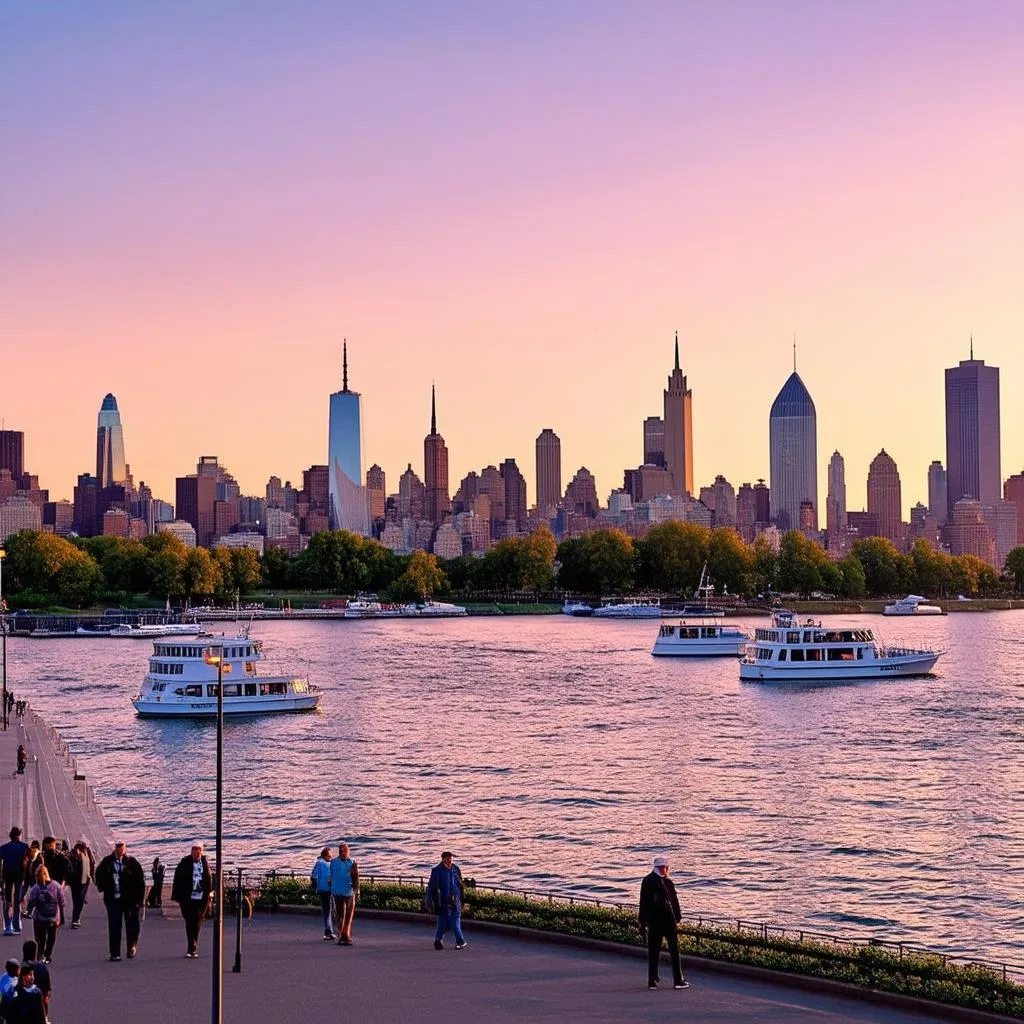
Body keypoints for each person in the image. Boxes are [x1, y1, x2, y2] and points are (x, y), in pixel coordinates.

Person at [638, 856, 688, 990]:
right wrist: (677, 918)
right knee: (674, 952)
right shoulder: (667, 882)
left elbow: (643, 903)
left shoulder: (647, 881)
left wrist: (642, 921)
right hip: (667, 922)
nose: (664, 870)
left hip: (654, 922)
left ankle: (652, 980)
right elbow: (674, 902)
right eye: (662, 867)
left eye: (665, 867)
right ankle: (678, 980)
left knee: (654, 951)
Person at [95, 840, 145, 961]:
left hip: (129, 900)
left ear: (125, 848)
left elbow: (140, 881)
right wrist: (102, 887)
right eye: (118, 847)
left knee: (132, 924)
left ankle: (131, 947)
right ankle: (115, 953)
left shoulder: (132, 862)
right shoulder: (107, 861)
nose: (120, 849)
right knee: (114, 925)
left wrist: (140, 899)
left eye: (122, 846)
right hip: (113, 900)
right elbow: (99, 874)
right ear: (115, 848)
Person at [170, 842, 212, 959]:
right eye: (194, 849)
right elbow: (177, 880)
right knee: (189, 922)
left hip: (201, 899)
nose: (196, 852)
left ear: (201, 851)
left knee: (197, 922)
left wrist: (210, 894)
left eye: (199, 849)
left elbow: (209, 879)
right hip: (188, 899)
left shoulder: (205, 863)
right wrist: (178, 897)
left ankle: (193, 945)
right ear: (191, 851)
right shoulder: (184, 863)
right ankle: (191, 947)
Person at [426, 851, 466, 950]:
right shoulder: (437, 870)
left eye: (451, 858)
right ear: (443, 859)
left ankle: (458, 941)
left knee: (455, 920)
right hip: (442, 901)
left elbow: (460, 885)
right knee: (443, 921)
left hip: (455, 900)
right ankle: (440, 940)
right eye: (448, 858)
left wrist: (462, 899)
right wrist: (431, 901)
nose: (450, 860)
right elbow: (432, 887)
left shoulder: (456, 869)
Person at [328, 842, 359, 946]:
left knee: (349, 915)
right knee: (340, 914)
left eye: (346, 850)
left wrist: (357, 891)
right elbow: (331, 876)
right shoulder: (334, 862)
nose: (345, 852)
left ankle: (346, 935)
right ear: (340, 851)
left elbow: (356, 878)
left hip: (349, 892)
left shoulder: (352, 862)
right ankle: (341, 935)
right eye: (343, 850)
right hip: (338, 892)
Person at [0, 827, 29, 935]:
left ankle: (8, 925)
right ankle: (16, 925)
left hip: (6, 877)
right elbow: (26, 864)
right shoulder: (24, 847)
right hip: (19, 877)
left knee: (7, 901)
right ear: (19, 835)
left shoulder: (3, 848)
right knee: (17, 900)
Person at [68, 839, 96, 928]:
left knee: (79, 900)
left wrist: (93, 877)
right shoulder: (73, 854)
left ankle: (76, 919)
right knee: (77, 900)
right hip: (75, 881)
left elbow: (92, 864)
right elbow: (69, 866)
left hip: (85, 880)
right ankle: (76, 919)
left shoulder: (88, 853)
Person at [19, 941, 50, 1020]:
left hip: (22, 1011)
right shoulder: (42, 968)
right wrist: (45, 1016)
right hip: (38, 1010)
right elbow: (46, 994)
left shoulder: (18, 969)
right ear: (35, 953)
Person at [310, 847, 334, 940]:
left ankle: (329, 930)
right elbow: (314, 876)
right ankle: (328, 931)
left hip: (327, 889)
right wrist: (316, 888)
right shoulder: (320, 863)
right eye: (329, 856)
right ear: (325, 855)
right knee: (328, 910)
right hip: (325, 889)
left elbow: (314, 876)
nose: (331, 858)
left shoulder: (325, 863)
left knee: (329, 910)